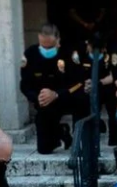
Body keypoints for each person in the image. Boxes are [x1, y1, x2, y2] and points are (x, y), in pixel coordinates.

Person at [20, 23, 88, 155]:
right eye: (43, 46)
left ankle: (80, 141)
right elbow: (25, 84)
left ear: (58, 40)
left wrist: (57, 94)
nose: (46, 49)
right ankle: (61, 132)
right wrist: (38, 98)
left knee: (82, 101)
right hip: (44, 101)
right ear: (39, 38)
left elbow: (78, 82)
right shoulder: (31, 54)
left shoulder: (69, 53)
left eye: (50, 47)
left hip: (66, 97)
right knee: (44, 149)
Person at [71, 34, 117, 145]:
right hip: (85, 87)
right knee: (78, 101)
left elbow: (113, 76)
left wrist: (97, 83)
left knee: (114, 104)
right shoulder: (80, 56)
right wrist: (85, 84)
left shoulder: (109, 57)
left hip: (104, 87)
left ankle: (114, 138)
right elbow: (75, 74)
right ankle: (79, 135)